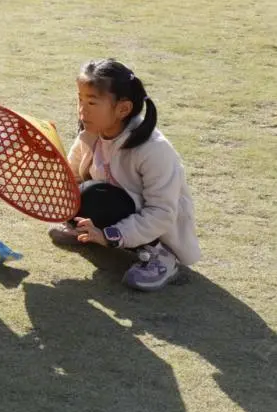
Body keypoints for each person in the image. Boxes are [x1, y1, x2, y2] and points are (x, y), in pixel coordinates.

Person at [49, 59, 200, 292]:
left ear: (123, 109)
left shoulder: (154, 149)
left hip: (158, 227)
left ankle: (161, 256)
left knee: (93, 194)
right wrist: (5, 183)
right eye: (80, 99)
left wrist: (109, 235)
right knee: (76, 193)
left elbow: (161, 213)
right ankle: (84, 230)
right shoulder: (90, 135)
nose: (82, 110)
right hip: (116, 208)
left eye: (91, 102)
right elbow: (68, 179)